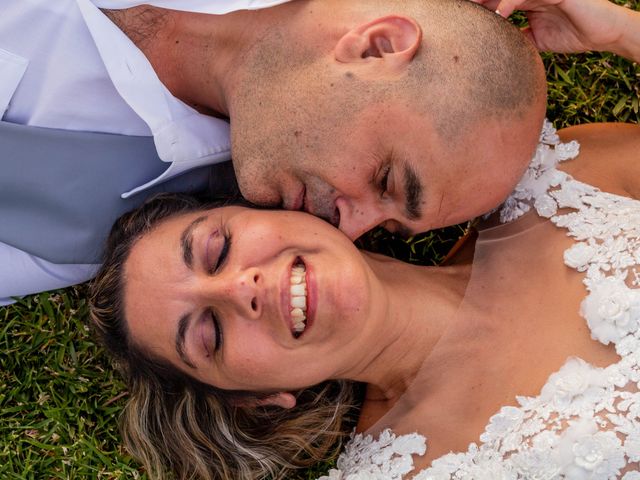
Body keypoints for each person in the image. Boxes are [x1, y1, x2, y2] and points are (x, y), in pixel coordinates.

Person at [88, 110, 640, 479]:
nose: (240, 288)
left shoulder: (569, 181)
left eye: (216, 249)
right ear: (259, 396)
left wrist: (619, 34)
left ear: (269, 207)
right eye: (209, 333)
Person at [6, 0, 631, 303]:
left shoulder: (106, 234)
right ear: (378, 46)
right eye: (387, 180)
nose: (348, 229)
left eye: (387, 225)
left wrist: (628, 35)